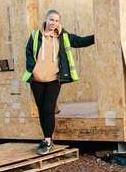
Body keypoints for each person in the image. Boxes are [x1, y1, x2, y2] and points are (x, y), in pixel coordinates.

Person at [23, 9, 95, 155]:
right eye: (51, 20)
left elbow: (81, 41)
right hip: (36, 80)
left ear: (59, 22)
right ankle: (46, 138)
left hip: (54, 79)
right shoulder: (35, 35)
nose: (53, 23)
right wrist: (33, 69)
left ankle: (48, 141)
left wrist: (98, 35)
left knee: (49, 108)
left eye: (56, 20)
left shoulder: (64, 37)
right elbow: (29, 53)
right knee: (42, 110)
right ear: (46, 20)